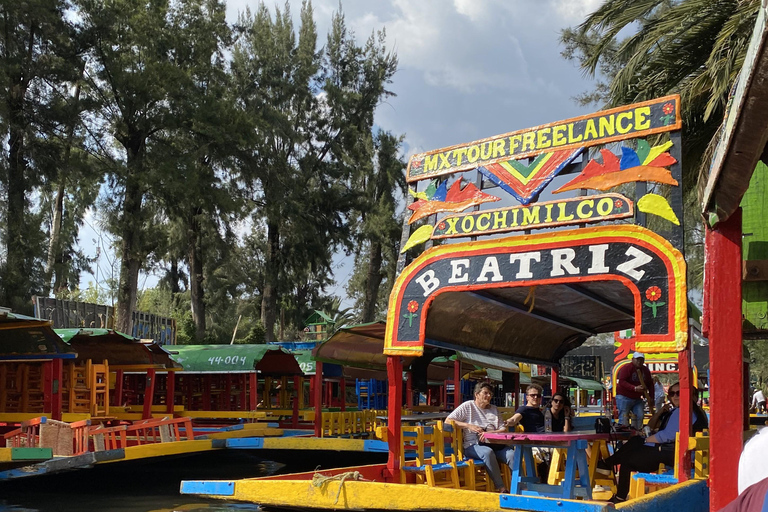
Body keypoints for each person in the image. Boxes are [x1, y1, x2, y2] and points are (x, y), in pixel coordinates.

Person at [598, 382, 708, 502]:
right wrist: (660, 412)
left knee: (630, 456)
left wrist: (646, 440)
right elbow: (655, 428)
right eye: (672, 393)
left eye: (679, 393)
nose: (675, 396)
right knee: (635, 445)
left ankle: (610, 473)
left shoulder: (682, 411)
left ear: (690, 395)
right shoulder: (696, 412)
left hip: (675, 455)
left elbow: (668, 435)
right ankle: (609, 467)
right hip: (680, 453)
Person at [447, 382, 514, 494]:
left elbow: (503, 429)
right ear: (477, 394)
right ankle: (502, 488)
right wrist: (468, 425)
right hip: (473, 445)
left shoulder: (494, 409)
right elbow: (448, 421)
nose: (489, 396)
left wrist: (490, 433)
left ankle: (520, 486)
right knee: (487, 453)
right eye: (485, 393)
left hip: (495, 444)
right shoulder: (468, 406)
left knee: (512, 454)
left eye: (490, 394)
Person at [615, 352, 654, 429]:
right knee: (624, 417)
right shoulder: (627, 368)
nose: (639, 362)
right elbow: (622, 381)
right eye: (637, 359)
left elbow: (650, 384)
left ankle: (637, 433)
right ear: (633, 359)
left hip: (637, 398)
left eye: (641, 360)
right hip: (624, 396)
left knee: (640, 415)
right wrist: (634, 388)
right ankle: (623, 435)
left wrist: (651, 397)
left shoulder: (645, 370)